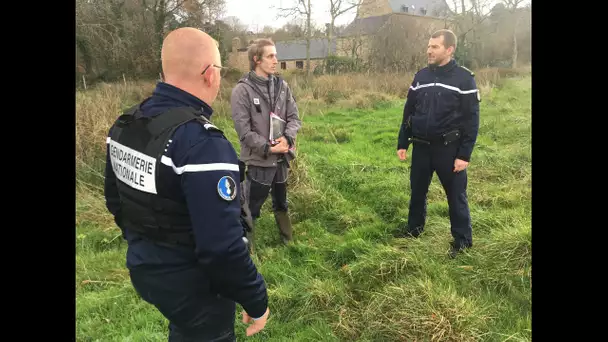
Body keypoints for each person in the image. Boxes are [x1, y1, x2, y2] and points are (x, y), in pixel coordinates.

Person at [103, 27, 269, 341]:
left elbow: (116, 202)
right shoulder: (202, 144)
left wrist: (147, 247)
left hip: (146, 269)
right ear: (210, 75)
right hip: (195, 288)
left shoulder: (126, 124)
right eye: (219, 70)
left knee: (184, 329)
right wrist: (256, 299)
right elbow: (223, 249)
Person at [395, 29, 480, 258]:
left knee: (455, 196)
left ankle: (462, 241)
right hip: (421, 147)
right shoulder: (421, 76)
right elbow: (409, 110)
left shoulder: (464, 79)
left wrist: (464, 155)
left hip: (449, 150)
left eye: (435, 47)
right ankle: (414, 229)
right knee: (417, 192)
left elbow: (472, 119)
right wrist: (403, 141)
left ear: (449, 50)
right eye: (429, 46)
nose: (428, 50)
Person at [230, 38, 302, 246]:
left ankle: (288, 241)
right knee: (252, 207)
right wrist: (268, 147)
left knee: (281, 202)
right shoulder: (242, 91)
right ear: (256, 60)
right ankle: (246, 247)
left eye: (276, 56)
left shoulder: (282, 86)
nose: (275, 60)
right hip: (259, 160)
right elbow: (244, 131)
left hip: (282, 157)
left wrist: (287, 138)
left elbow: (294, 118)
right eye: (270, 56)